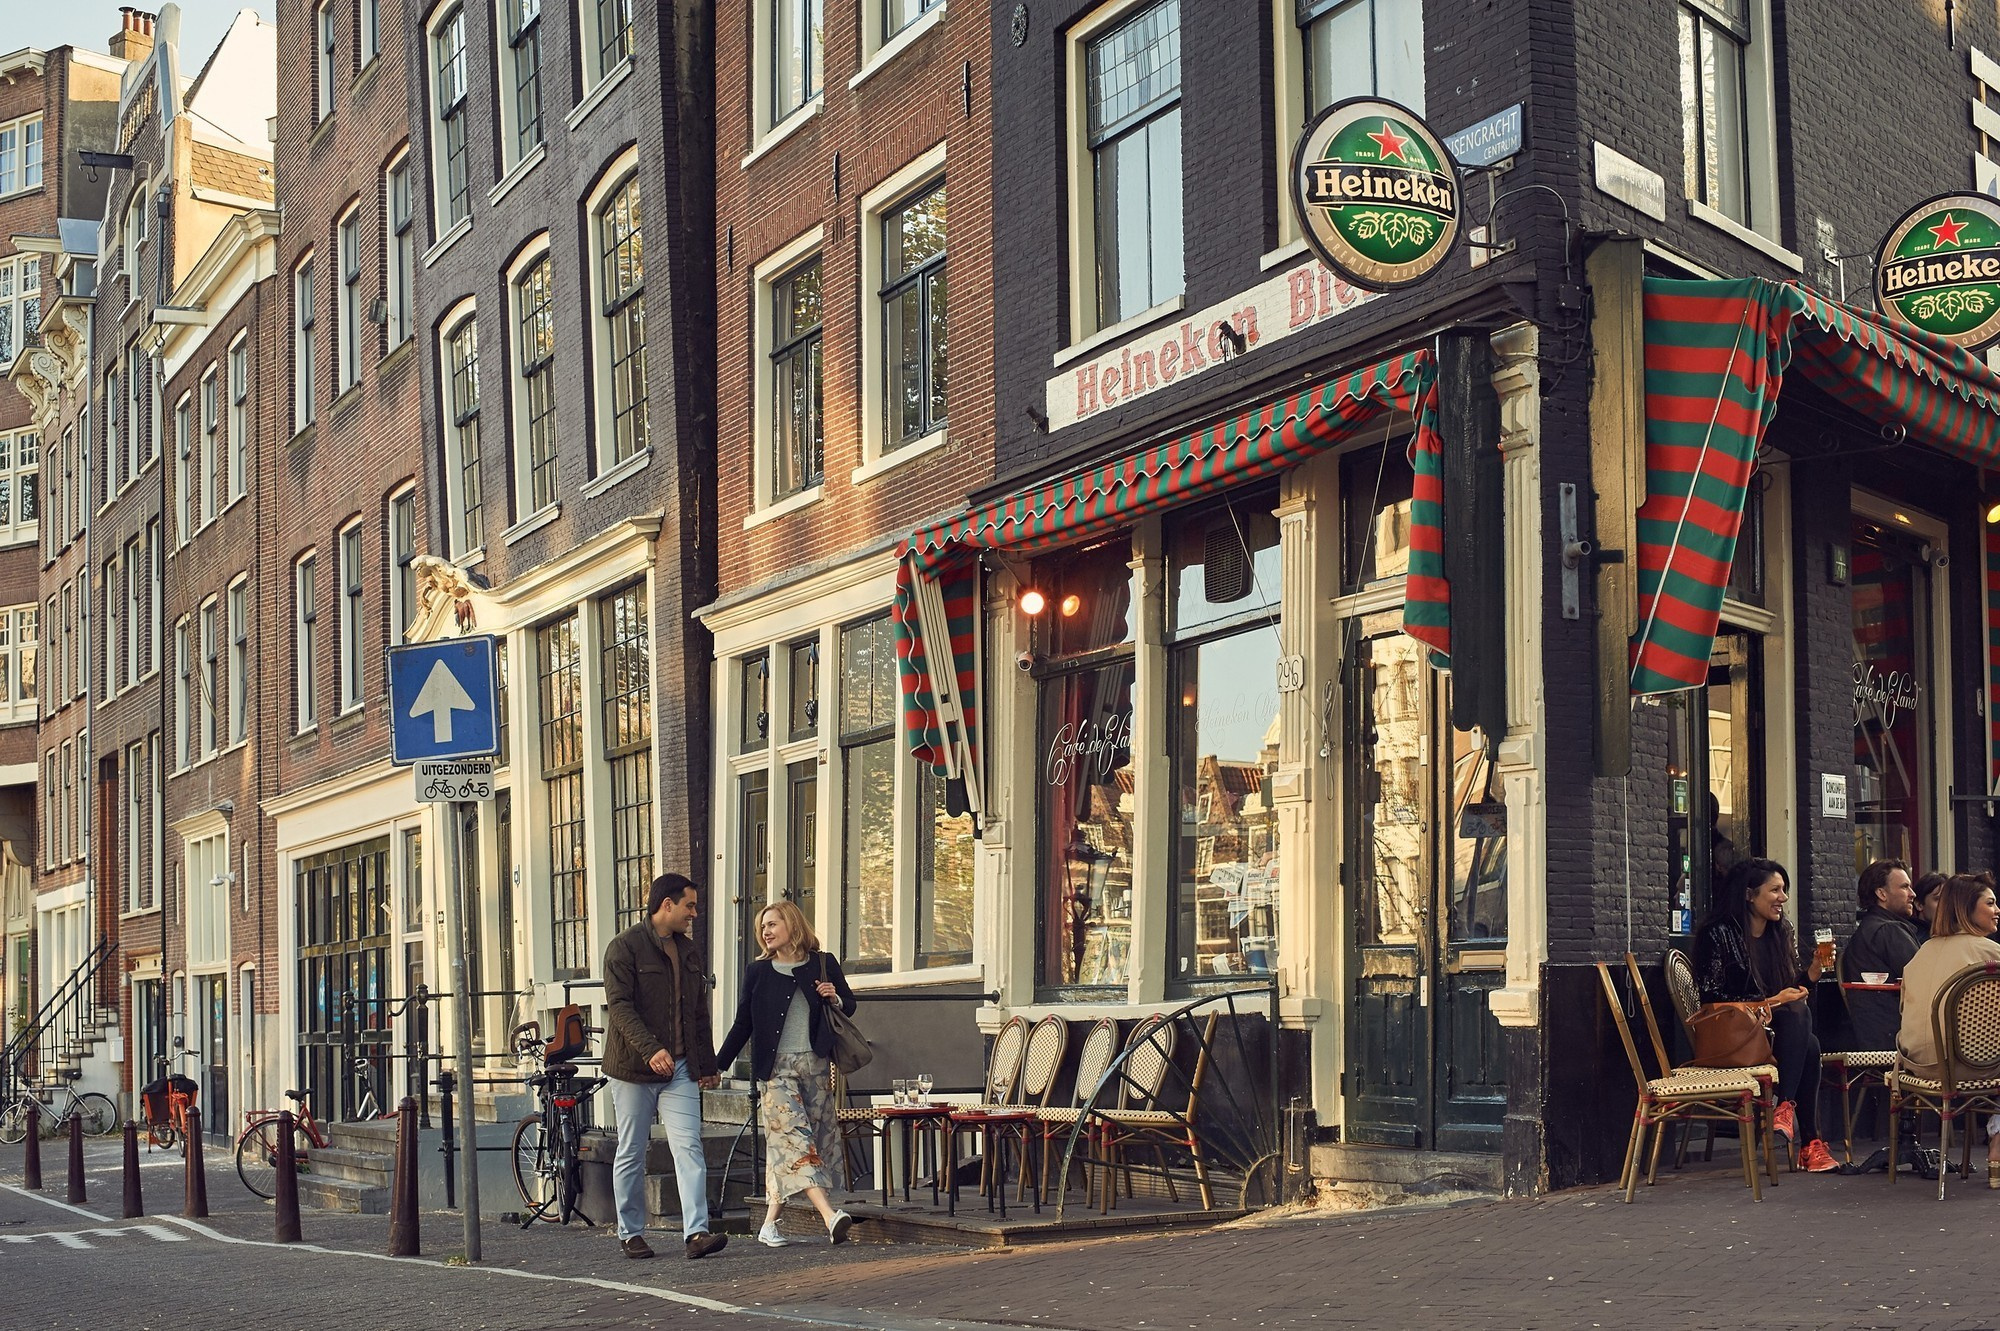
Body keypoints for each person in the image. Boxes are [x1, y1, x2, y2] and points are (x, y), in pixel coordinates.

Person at [717, 900, 861, 1248]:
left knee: (800, 1145)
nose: (765, 931)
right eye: (762, 927)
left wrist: (834, 998)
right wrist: (718, 1065)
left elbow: (850, 1004)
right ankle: (830, 1217)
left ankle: (768, 1225)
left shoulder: (823, 963)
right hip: (776, 1071)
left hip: (815, 1066)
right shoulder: (757, 972)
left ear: (792, 924)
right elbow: (743, 1023)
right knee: (796, 1142)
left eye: (772, 924)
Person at [603, 873, 727, 1261]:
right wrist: (650, 1049)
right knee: (632, 1150)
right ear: (667, 904)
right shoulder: (624, 947)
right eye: (689, 905)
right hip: (633, 1070)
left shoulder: (688, 951)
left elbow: (698, 1012)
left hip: (681, 1069)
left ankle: (697, 1233)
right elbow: (619, 1008)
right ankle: (631, 1233)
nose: (694, 913)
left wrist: (707, 1064)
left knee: (689, 1146)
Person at [1693, 857, 1839, 1173]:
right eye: (1775, 890)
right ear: (1749, 894)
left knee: (1808, 1038)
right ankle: (1805, 1138)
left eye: (1784, 890)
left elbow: (1788, 991)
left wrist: (1812, 973)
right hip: (1730, 1037)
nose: (1783, 898)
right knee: (1805, 1036)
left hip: (1771, 1034)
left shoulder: (1779, 933)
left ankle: (1788, 1113)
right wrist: (1773, 1001)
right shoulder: (1716, 933)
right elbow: (1713, 997)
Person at [1897, 873, 2000, 1185]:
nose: (1997, 910)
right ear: (1967, 909)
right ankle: (1998, 1138)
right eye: (1990, 903)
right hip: (1971, 1065)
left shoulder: (1918, 955)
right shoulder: (1990, 953)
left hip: (1920, 1068)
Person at [1842, 858, 1923, 1051]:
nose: (1912, 894)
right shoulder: (1888, 930)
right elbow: (1926, 981)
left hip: (1873, 1034)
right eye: (1904, 887)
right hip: (1897, 1037)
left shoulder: (1870, 928)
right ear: (1881, 893)